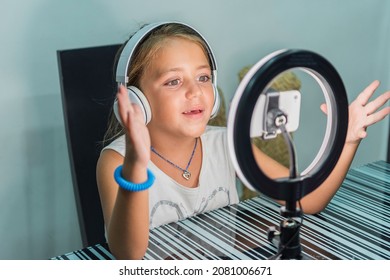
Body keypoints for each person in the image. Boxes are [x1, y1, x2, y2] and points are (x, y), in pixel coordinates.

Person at [96, 22, 390, 260]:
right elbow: (128, 255)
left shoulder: (226, 143)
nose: (195, 92)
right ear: (137, 100)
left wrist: (347, 140)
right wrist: (136, 162)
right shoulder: (116, 161)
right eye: (174, 81)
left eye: (202, 78)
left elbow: (306, 201)